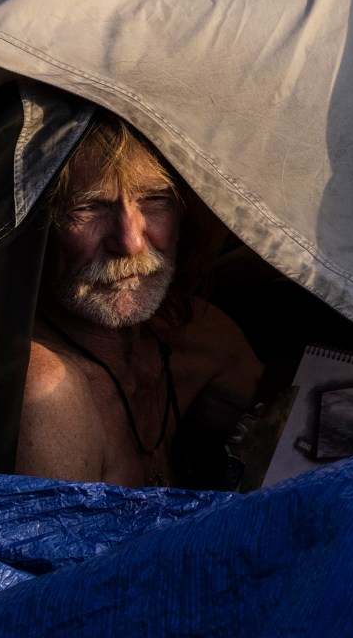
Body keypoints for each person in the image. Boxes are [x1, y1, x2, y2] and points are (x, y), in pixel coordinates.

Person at [17, 115, 264, 486]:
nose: (130, 242)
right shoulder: (49, 390)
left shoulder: (192, 331)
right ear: (38, 226)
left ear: (184, 213)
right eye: (88, 207)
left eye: (154, 200)